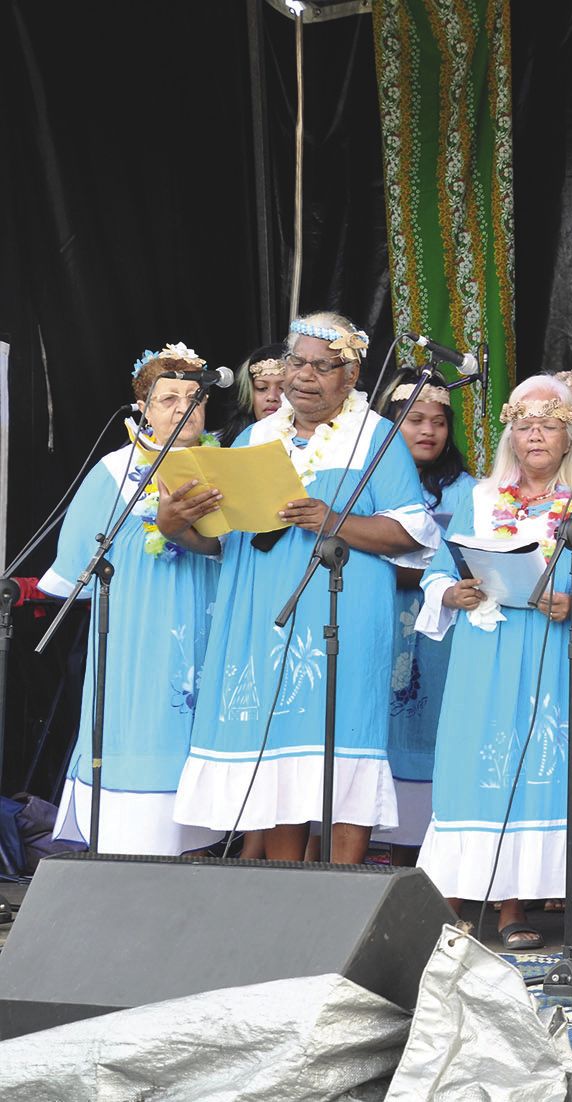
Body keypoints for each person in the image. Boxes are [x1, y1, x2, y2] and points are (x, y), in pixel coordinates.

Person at [170, 312, 438, 863]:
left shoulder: (376, 437)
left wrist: (332, 520)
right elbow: (224, 540)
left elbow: (412, 533)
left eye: (322, 366)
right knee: (278, 761)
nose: (304, 375)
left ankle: (343, 894)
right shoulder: (254, 437)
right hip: (262, 613)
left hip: (343, 615)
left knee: (345, 752)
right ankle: (285, 887)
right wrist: (177, 525)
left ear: (351, 375)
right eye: (296, 362)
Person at [413, 377, 572, 948]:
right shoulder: (481, 497)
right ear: (510, 437)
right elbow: (439, 570)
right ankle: (448, 900)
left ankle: (513, 907)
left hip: (553, 646)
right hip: (488, 645)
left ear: (569, 436)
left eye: (547, 426)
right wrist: (453, 592)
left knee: (536, 767)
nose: (535, 437)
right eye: (524, 427)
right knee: (477, 766)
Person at [38, 344, 226, 855]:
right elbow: (74, 566)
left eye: (194, 398)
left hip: (210, 626)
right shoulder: (115, 470)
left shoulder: (224, 466)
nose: (184, 408)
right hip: (137, 633)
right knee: (140, 724)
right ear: (143, 408)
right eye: (169, 399)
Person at [373, 379, 475, 866]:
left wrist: (391, 565)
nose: (428, 431)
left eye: (438, 422)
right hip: (380, 622)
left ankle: (432, 866)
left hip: (441, 632)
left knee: (433, 723)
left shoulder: (467, 490)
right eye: (415, 420)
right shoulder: (369, 480)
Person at [221, 343, 288, 443]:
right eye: (262, 388)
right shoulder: (222, 442)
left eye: (283, 388)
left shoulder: (312, 443)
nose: (272, 397)